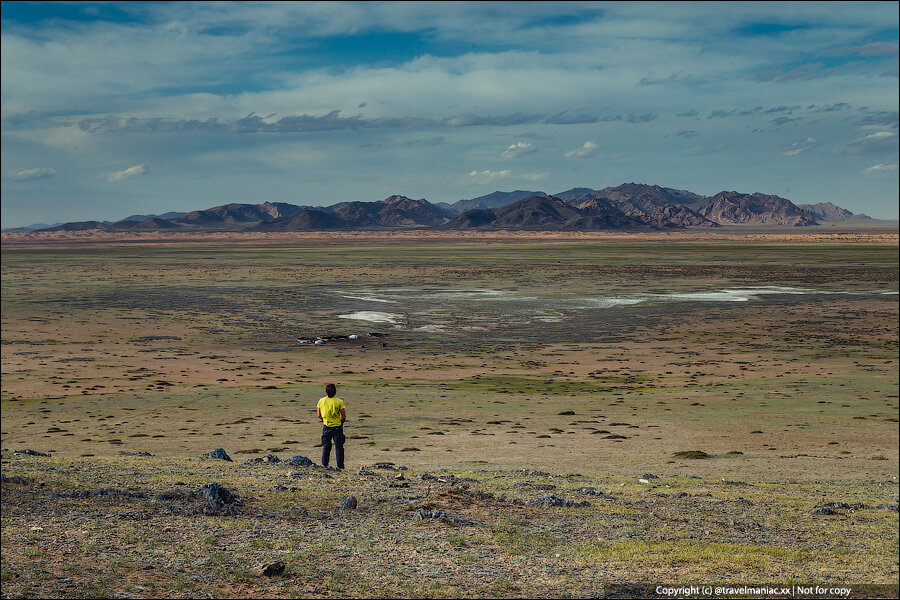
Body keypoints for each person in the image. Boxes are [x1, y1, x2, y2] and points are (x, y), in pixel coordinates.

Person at [316, 383, 346, 469]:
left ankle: (324, 465)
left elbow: (318, 415)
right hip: (337, 427)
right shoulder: (339, 401)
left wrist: (324, 420)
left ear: (326, 392)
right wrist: (341, 422)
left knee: (326, 447)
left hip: (326, 426)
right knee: (339, 447)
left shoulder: (321, 401)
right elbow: (343, 416)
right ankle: (340, 466)